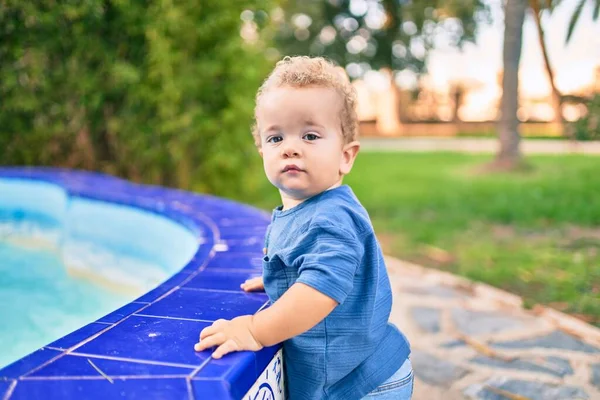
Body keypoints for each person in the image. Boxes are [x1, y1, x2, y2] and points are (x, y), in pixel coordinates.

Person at [194, 56, 412, 399]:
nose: (290, 148)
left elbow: (319, 290)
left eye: (310, 135)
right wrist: (283, 280)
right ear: (261, 149)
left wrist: (256, 329)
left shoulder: (333, 217)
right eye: (276, 138)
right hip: (354, 374)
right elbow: (307, 268)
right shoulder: (302, 209)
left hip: (363, 383)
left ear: (346, 156)